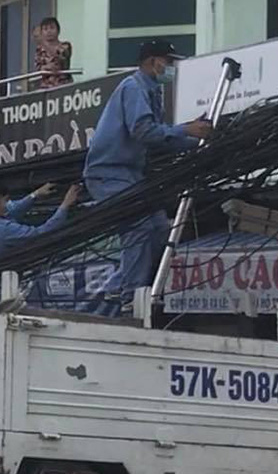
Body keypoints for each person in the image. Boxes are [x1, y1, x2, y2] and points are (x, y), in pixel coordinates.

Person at [81, 39, 214, 313]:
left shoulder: (151, 93)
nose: (171, 68)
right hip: (108, 174)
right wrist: (187, 130)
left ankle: (117, 286)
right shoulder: (134, 87)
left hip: (129, 175)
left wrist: (197, 140)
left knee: (159, 228)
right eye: (168, 62)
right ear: (153, 62)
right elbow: (144, 132)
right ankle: (131, 295)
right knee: (139, 226)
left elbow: (160, 139)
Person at [0, 181, 83, 265]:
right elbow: (41, 233)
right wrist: (65, 204)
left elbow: (13, 211)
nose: (10, 203)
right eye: (6, 201)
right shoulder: (5, 229)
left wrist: (35, 195)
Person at [32, 17, 73, 89]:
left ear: (58, 30)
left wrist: (43, 43)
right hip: (45, 87)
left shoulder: (65, 46)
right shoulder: (39, 50)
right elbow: (39, 68)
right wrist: (47, 68)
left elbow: (60, 62)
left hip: (63, 85)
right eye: (45, 29)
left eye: (52, 28)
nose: (49, 31)